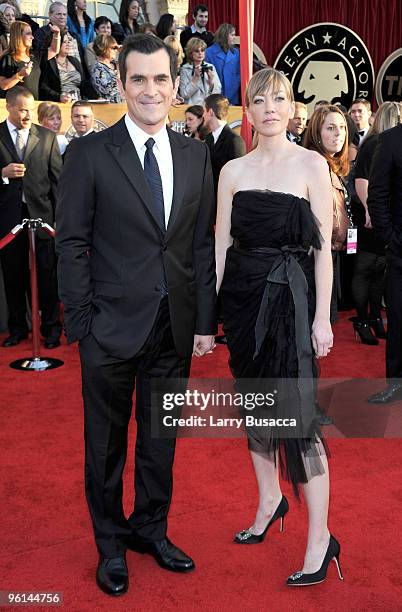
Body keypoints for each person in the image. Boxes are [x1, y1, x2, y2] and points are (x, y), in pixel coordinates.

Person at [56, 34, 216, 596]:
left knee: (159, 442)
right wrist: (82, 326)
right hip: (108, 331)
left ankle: (151, 528)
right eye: (139, 79)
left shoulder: (196, 155)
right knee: (104, 446)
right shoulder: (89, 154)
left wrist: (202, 324)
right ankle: (110, 544)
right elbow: (71, 243)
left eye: (161, 79)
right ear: (122, 85)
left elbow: (198, 247)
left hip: (172, 328)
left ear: (176, 86)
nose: (151, 90)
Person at [215, 68, 342, 586]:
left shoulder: (312, 164)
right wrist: (216, 316)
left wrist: (322, 317)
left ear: (293, 108)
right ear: (247, 111)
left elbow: (324, 254)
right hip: (243, 305)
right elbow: (221, 244)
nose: (270, 107)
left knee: (299, 419)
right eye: (259, 99)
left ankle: (321, 537)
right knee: (256, 409)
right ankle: (270, 500)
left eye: (280, 98)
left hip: (291, 302)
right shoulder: (232, 171)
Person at [0, 87, 62, 348]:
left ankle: (51, 329)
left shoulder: (47, 137)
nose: (28, 114)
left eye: (31, 109)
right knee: (13, 276)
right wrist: (3, 172)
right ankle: (18, 328)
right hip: (8, 219)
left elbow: (57, 182)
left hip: (43, 218)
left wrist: (60, 220)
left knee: (47, 276)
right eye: (23, 109)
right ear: (9, 108)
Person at [351, 102, 401, 346]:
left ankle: (373, 319)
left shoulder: (380, 142)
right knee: (365, 269)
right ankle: (362, 321)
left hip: (382, 221)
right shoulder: (376, 143)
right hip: (373, 221)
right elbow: (364, 181)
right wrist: (374, 215)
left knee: (379, 273)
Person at [367, 114, 402, 404]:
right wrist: (390, 236)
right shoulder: (390, 140)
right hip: (401, 250)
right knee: (399, 320)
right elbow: (376, 195)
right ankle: (396, 384)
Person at [304, 105, 350, 324]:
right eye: (330, 128)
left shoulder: (328, 164)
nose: (338, 133)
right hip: (313, 257)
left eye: (341, 127)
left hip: (329, 253)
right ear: (316, 132)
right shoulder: (315, 163)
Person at [0, 19, 60, 99]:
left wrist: (56, 35)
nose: (32, 37)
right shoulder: (8, 58)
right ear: (18, 36)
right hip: (15, 105)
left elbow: (53, 50)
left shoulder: (34, 55)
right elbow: (3, 85)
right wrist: (20, 75)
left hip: (33, 104)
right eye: (28, 34)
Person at [204, 93, 245, 201]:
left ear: (210, 112)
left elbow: (239, 177)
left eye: (204, 111)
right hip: (211, 201)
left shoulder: (234, 140)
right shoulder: (208, 139)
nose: (203, 115)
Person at [40, 30, 95, 102]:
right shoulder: (49, 62)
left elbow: (84, 84)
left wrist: (96, 97)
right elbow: (43, 87)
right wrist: (59, 97)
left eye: (69, 41)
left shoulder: (74, 60)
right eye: (64, 42)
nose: (68, 44)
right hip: (58, 103)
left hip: (78, 102)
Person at [205, 23, 240, 105]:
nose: (234, 38)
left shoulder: (236, 53)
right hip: (215, 98)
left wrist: (229, 96)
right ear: (225, 35)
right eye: (232, 35)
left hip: (232, 99)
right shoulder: (209, 52)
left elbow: (238, 75)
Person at [179, 37, 220, 105]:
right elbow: (184, 95)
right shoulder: (185, 69)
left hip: (207, 107)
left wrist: (211, 83)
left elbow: (217, 93)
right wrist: (195, 78)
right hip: (192, 109)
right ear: (191, 53)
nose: (200, 53)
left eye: (202, 50)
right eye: (197, 51)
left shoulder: (210, 67)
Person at [90, 34, 122, 102]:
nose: (116, 51)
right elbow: (106, 90)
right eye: (113, 48)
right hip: (108, 106)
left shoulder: (116, 64)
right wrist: (118, 72)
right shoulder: (98, 68)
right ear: (104, 48)